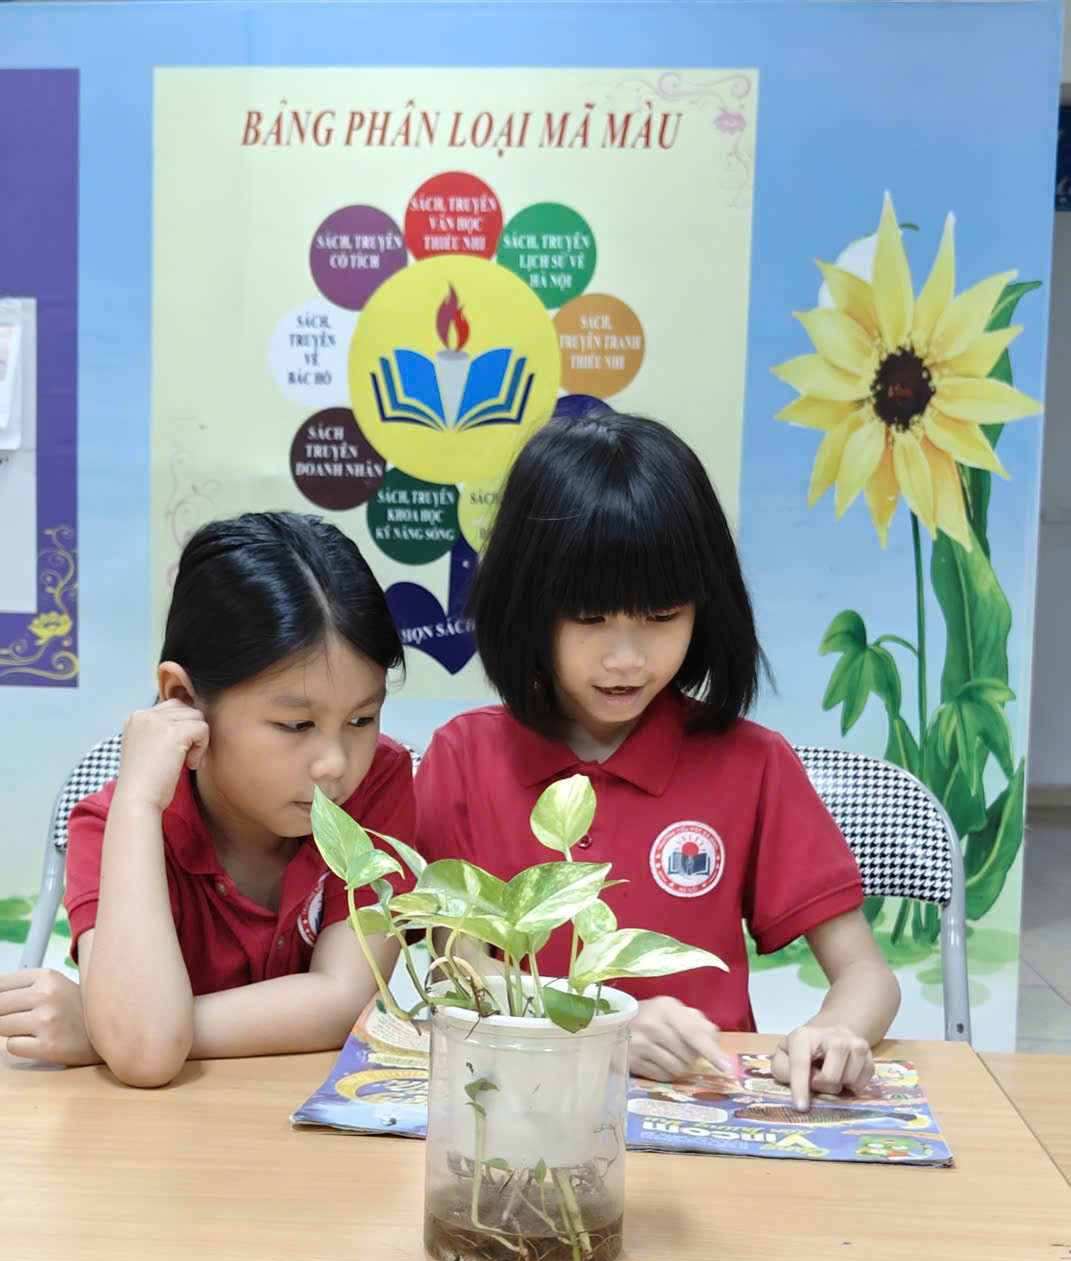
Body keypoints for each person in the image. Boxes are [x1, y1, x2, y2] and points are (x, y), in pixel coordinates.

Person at [415, 410, 900, 1110]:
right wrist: (604, 1027)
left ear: (705, 608)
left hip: (708, 1114)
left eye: (662, 616)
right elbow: (459, 970)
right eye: (589, 619)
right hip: (522, 1110)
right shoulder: (463, 759)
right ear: (525, 604)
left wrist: (836, 1031)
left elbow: (866, 975)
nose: (626, 659)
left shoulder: (752, 765)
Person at [0, 512, 414, 1087]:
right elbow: (146, 1055)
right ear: (183, 698)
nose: (336, 764)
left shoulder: (379, 783)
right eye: (297, 725)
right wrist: (138, 801)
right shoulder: (113, 823)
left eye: (362, 718)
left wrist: (102, 1030)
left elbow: (347, 1000)